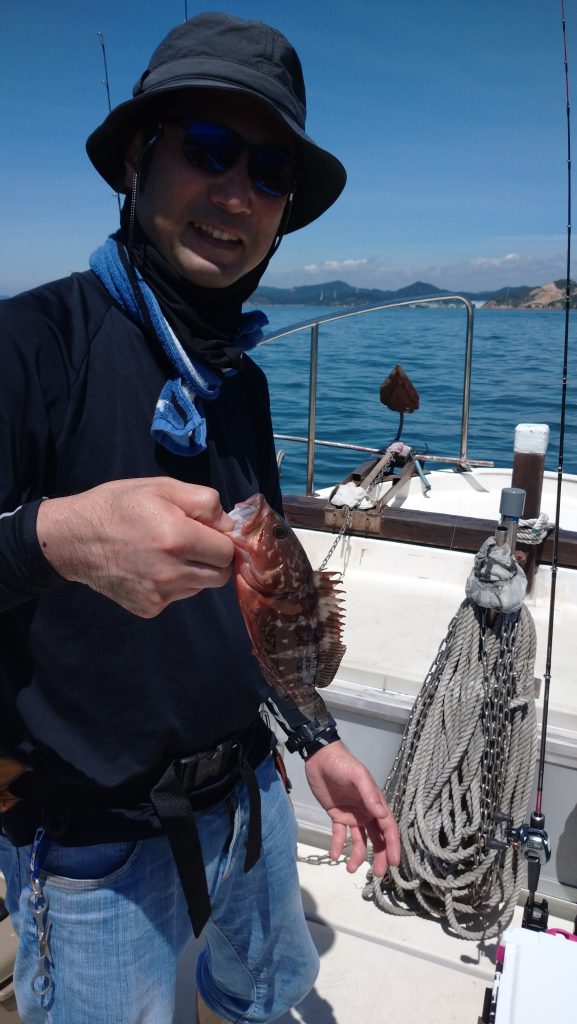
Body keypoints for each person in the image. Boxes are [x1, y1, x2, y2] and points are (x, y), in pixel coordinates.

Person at [0, 12, 400, 1024]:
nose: (235, 193)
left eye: (269, 171)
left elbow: (265, 604)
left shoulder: (242, 383)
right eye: (208, 149)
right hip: (90, 847)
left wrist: (315, 740)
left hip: (255, 794)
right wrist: (51, 539)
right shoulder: (28, 346)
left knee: (267, 998)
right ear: (137, 159)